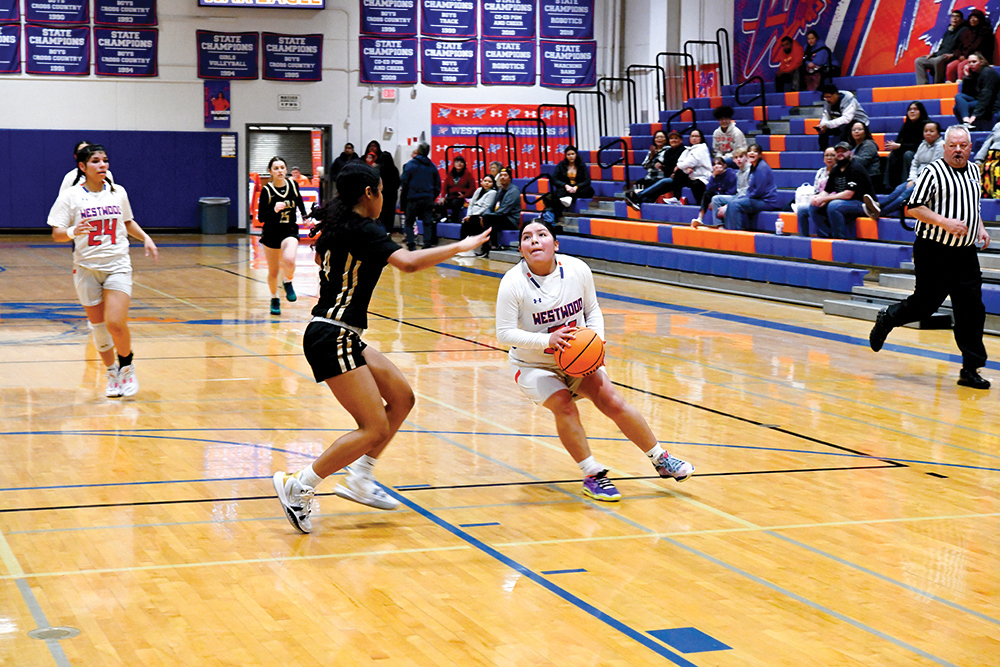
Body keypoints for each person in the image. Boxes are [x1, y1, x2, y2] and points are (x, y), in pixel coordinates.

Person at [271, 162, 492, 534]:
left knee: (402, 398)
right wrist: (460, 246)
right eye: (383, 192)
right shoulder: (363, 228)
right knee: (372, 428)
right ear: (371, 193)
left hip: (340, 332)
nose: (384, 199)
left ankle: (360, 477)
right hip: (333, 334)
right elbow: (406, 263)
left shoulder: (341, 226)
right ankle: (300, 484)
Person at [494, 217, 694, 502]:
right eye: (527, 237)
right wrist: (546, 341)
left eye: (541, 234)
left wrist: (597, 339)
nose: (534, 240)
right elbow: (504, 334)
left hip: (577, 358)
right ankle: (592, 474)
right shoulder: (512, 283)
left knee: (612, 400)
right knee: (564, 405)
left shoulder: (577, 269)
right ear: (521, 250)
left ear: (556, 244)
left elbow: (592, 309)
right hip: (534, 365)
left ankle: (661, 459)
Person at [869, 125, 991, 390]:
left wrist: (979, 226)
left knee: (972, 309)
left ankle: (970, 369)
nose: (958, 150)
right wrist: (945, 222)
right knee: (925, 305)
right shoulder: (932, 172)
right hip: (933, 250)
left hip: (965, 253)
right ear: (945, 147)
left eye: (963, 146)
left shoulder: (973, 171)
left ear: (970, 147)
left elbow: (973, 205)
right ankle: (888, 317)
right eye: (953, 146)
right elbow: (913, 208)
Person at [46, 143, 158, 398]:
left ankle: (127, 366)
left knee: (115, 322)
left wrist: (146, 238)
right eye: (95, 161)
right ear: (82, 167)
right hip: (86, 267)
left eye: (105, 160)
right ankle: (111, 373)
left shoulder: (118, 192)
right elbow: (57, 233)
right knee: (98, 327)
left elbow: (127, 221)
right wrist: (75, 231)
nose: (102, 165)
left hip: (117, 264)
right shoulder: (70, 196)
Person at [257, 156, 307, 316]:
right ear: (270, 171)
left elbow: (299, 201)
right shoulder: (267, 191)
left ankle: (288, 281)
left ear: (286, 170)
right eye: (276, 168)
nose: (279, 171)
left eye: (282, 167)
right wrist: (274, 210)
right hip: (271, 233)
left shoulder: (293, 185)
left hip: (289, 230)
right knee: (273, 271)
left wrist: (305, 216)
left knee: (290, 259)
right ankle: (274, 298)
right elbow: (261, 218)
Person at [864, 122, 944, 219]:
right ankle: (877, 205)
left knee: (904, 195)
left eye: (931, 131)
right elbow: (915, 163)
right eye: (926, 131)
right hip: (917, 179)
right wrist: (911, 179)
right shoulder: (922, 145)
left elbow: (933, 168)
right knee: (898, 189)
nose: (928, 133)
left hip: (930, 181)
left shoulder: (941, 146)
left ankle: (880, 213)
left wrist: (916, 182)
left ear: (938, 133)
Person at [808, 142, 875, 239]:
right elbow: (827, 190)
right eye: (838, 152)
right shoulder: (836, 170)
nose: (840, 154)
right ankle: (826, 236)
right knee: (814, 206)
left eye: (843, 151)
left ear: (851, 153)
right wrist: (817, 198)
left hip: (862, 203)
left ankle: (839, 238)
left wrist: (825, 199)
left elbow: (848, 194)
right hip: (844, 202)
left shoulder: (855, 168)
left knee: (833, 205)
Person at [624, 130, 693, 210]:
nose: (674, 140)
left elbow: (682, 166)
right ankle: (641, 202)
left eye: (676, 138)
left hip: (680, 178)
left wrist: (673, 171)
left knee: (663, 182)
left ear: (680, 140)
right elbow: (666, 168)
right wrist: (656, 161)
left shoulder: (684, 150)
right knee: (645, 182)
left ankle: (638, 197)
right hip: (668, 176)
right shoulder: (668, 152)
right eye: (671, 138)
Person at [723, 143, 777, 231]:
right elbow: (751, 188)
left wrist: (746, 197)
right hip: (756, 198)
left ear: (760, 154)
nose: (752, 153)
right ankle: (729, 231)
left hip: (765, 201)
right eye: (750, 151)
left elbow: (759, 191)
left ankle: (735, 233)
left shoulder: (762, 168)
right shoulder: (753, 167)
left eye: (755, 151)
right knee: (733, 202)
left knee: (735, 204)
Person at [400, 142, 442, 251]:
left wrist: (404, 197)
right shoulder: (432, 166)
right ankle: (427, 244)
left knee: (409, 222)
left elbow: (404, 182)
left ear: (418, 151)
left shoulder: (410, 164)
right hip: (427, 198)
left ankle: (411, 244)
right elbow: (438, 184)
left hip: (413, 198)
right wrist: (432, 196)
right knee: (427, 222)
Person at [884, 101, 929, 191]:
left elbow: (920, 145)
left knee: (908, 154)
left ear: (921, 111)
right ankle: (888, 186)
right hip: (905, 151)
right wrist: (894, 145)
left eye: (915, 109)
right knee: (893, 155)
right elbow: (899, 142)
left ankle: (906, 183)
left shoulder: (926, 125)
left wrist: (900, 146)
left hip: (921, 155)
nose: (912, 112)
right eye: (910, 109)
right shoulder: (906, 125)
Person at [915, 9, 967, 85]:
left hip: (950, 57)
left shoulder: (964, 31)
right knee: (919, 61)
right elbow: (942, 47)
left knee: (938, 60)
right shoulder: (948, 32)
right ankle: (923, 85)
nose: (954, 19)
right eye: (952, 16)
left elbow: (963, 48)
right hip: (940, 55)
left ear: (961, 20)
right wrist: (934, 54)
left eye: (957, 17)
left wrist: (953, 55)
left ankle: (938, 84)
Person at [543, 145, 594, 220]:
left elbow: (587, 180)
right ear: (565, 155)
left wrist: (576, 187)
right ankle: (556, 215)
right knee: (556, 194)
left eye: (572, 154)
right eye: (568, 154)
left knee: (588, 190)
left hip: (578, 188)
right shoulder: (561, 165)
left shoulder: (581, 165)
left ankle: (569, 198)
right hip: (567, 188)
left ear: (576, 154)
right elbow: (554, 179)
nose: (571, 156)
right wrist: (565, 185)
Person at [795, 147, 837, 236]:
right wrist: (815, 198)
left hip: (832, 200)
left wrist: (824, 200)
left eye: (832, 155)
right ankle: (804, 237)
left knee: (814, 208)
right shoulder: (821, 171)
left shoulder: (839, 171)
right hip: (820, 199)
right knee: (801, 210)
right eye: (827, 155)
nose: (829, 158)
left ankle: (826, 235)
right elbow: (816, 189)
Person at [479, 166, 521, 257]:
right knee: (480, 219)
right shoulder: (500, 190)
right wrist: (485, 215)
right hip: (499, 216)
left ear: (510, 178)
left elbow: (504, 211)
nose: (502, 177)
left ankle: (490, 246)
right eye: (501, 175)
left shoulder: (514, 191)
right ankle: (485, 247)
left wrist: (487, 216)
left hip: (511, 219)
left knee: (490, 219)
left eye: (505, 175)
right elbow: (491, 206)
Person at [954, 52, 1000, 131]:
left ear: (981, 62)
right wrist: (967, 77)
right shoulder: (974, 73)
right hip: (979, 100)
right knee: (958, 96)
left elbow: (986, 96)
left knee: (957, 107)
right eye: (969, 62)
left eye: (974, 62)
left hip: (992, 102)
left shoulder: (988, 72)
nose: (971, 64)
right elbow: (967, 93)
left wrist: (975, 114)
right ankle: (966, 122)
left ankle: (967, 125)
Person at [816, 84, 870, 150]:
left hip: (858, 121)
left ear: (836, 94)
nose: (827, 99)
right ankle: (824, 151)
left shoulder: (848, 99)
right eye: (825, 97)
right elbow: (826, 115)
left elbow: (847, 119)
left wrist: (827, 124)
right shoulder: (828, 102)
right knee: (823, 130)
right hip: (840, 122)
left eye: (829, 97)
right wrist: (822, 125)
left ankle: (844, 150)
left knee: (843, 127)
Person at [457, 173, 498, 256]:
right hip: (472, 214)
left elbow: (485, 207)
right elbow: (471, 204)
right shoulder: (479, 190)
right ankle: (463, 247)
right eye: (485, 181)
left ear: (493, 183)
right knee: (464, 223)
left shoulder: (493, 192)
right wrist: (468, 215)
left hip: (481, 215)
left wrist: (472, 216)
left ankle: (470, 249)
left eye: (489, 182)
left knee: (470, 223)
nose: (486, 183)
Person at [690, 156, 738, 228]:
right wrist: (713, 176)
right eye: (714, 164)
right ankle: (700, 218)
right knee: (707, 194)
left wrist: (716, 200)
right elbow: (709, 189)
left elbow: (732, 191)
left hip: (730, 196)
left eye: (719, 164)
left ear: (724, 165)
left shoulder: (731, 174)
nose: (716, 166)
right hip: (719, 195)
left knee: (715, 199)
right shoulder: (715, 175)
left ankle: (720, 225)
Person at [947, 10, 993, 82]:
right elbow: (959, 46)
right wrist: (959, 55)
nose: (972, 20)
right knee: (950, 66)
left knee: (961, 66)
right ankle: (949, 87)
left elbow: (978, 47)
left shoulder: (985, 32)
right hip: (963, 57)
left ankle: (961, 85)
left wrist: (965, 56)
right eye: (971, 18)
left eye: (975, 18)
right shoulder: (966, 32)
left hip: (977, 57)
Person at [711, 147, 750, 222]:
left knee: (729, 207)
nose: (738, 159)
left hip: (747, 198)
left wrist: (727, 205)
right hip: (738, 197)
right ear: (733, 160)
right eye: (736, 157)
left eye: (741, 157)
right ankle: (719, 226)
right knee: (715, 199)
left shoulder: (750, 171)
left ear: (746, 158)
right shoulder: (738, 173)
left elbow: (747, 192)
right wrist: (713, 177)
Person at [438, 155, 475, 226]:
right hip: (451, 196)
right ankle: (444, 219)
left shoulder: (468, 174)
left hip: (462, 197)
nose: (459, 164)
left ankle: (454, 222)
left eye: (461, 162)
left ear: (464, 164)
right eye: (457, 162)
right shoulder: (450, 174)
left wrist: (464, 195)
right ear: (454, 164)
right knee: (440, 204)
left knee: (455, 203)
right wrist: (442, 197)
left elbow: (472, 187)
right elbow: (445, 186)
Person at [375, 150, 400, 234]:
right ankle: (389, 232)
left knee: (380, 215)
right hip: (392, 196)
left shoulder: (377, 170)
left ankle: (380, 232)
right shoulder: (394, 169)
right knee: (390, 215)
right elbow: (398, 183)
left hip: (380, 196)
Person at [974, 120, 1000, 198]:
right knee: (986, 167)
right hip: (993, 157)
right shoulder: (998, 126)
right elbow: (988, 143)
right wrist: (979, 160)